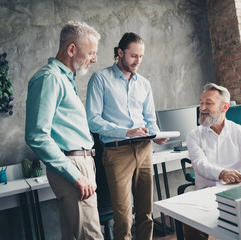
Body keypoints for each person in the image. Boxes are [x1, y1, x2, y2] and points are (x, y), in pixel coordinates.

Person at [25, 21, 104, 240]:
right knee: (91, 236)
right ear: (71, 49)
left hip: (80, 163)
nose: (95, 58)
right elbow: (36, 136)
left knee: (72, 235)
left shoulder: (65, 79)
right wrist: (75, 175)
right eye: (91, 53)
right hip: (73, 165)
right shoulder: (50, 78)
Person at [86, 32, 168, 240]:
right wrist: (126, 132)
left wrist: (155, 134)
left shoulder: (144, 84)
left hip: (144, 150)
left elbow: (150, 119)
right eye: (133, 56)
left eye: (141, 56)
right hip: (117, 151)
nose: (137, 61)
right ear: (120, 53)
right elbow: (92, 120)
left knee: (146, 213)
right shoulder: (100, 79)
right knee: (123, 217)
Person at [184, 83, 241, 239]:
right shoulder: (194, 135)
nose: (202, 108)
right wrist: (221, 173)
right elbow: (200, 164)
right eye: (201, 103)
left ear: (224, 107)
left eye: (208, 103)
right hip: (205, 197)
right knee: (190, 225)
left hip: (237, 194)